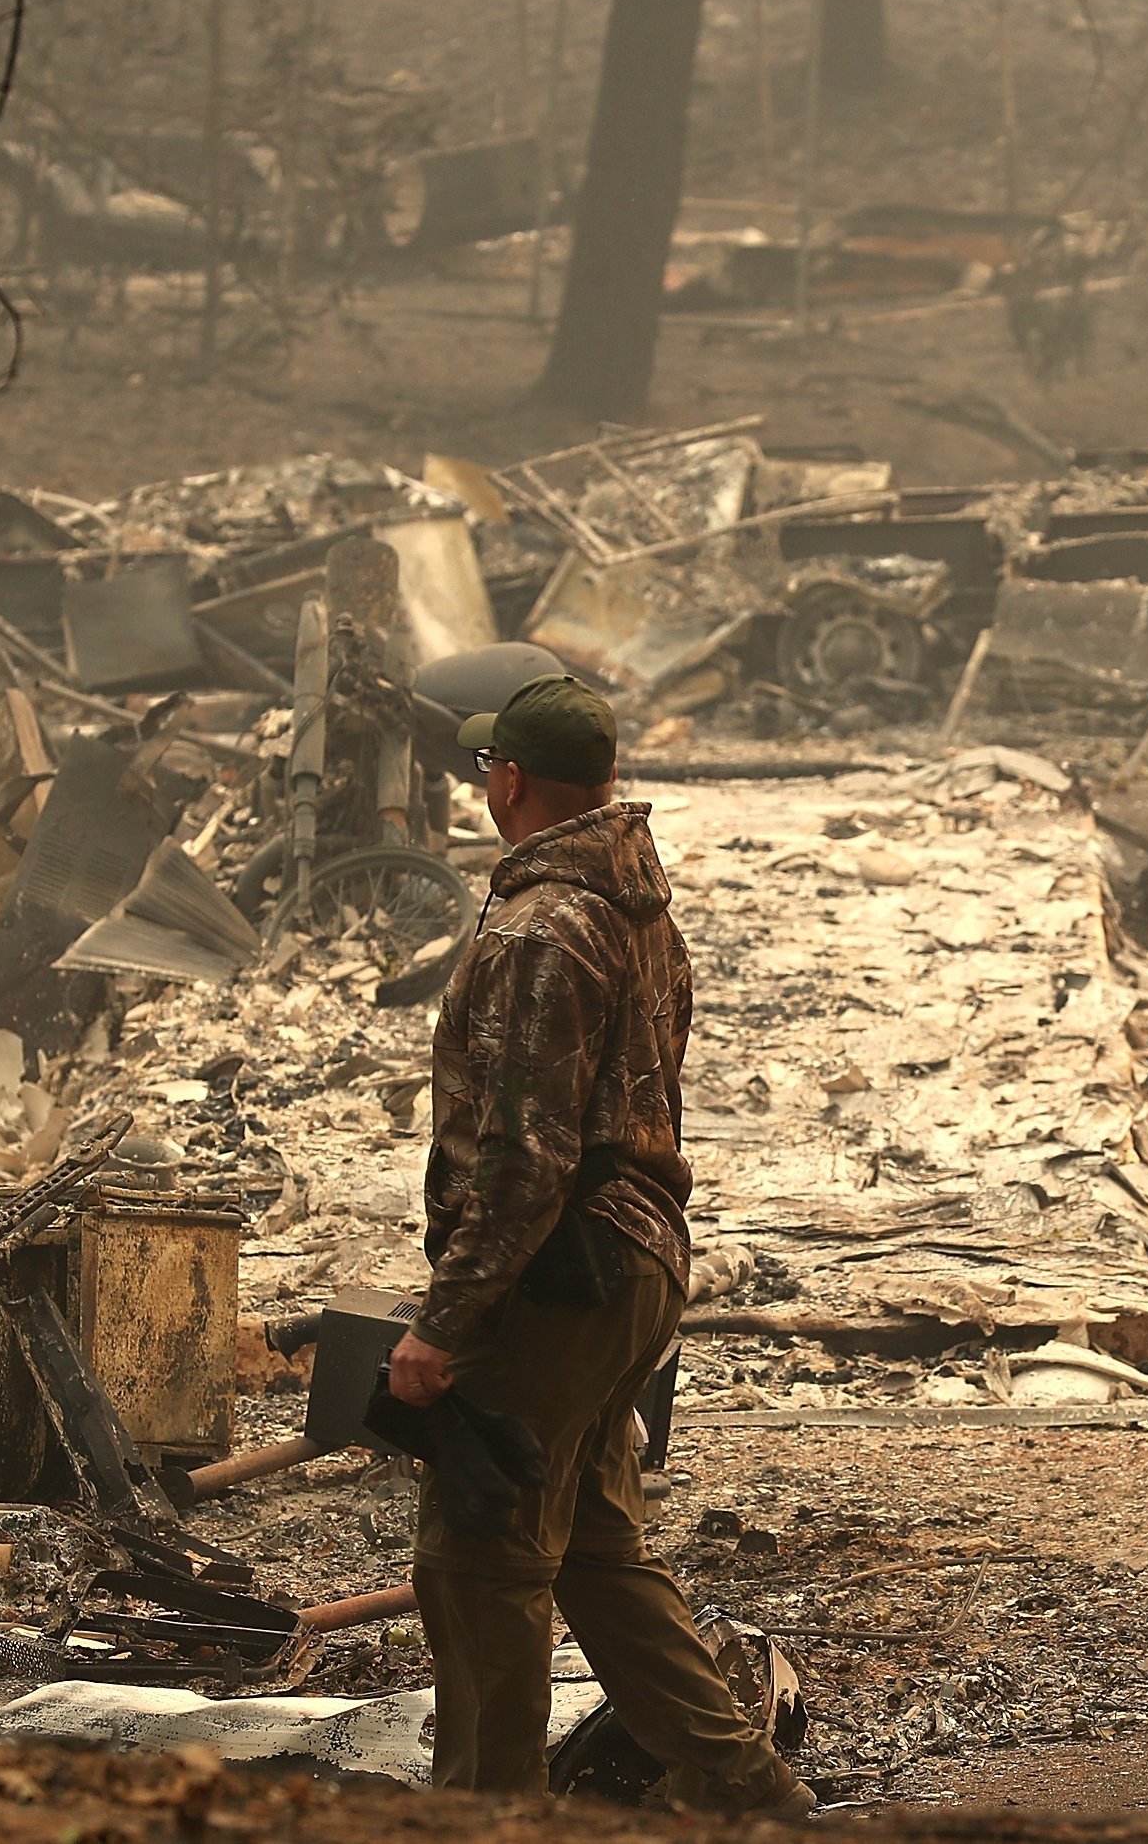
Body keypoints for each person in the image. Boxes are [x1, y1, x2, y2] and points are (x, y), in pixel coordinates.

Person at [385, 674, 808, 1811]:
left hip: (558, 1277)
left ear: (510, 781)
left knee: (481, 1557)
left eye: (487, 769)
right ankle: (743, 1781)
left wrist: (444, 1322)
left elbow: (526, 1161)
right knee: (599, 1547)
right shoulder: (637, 906)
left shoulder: (541, 927)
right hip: (636, 1262)